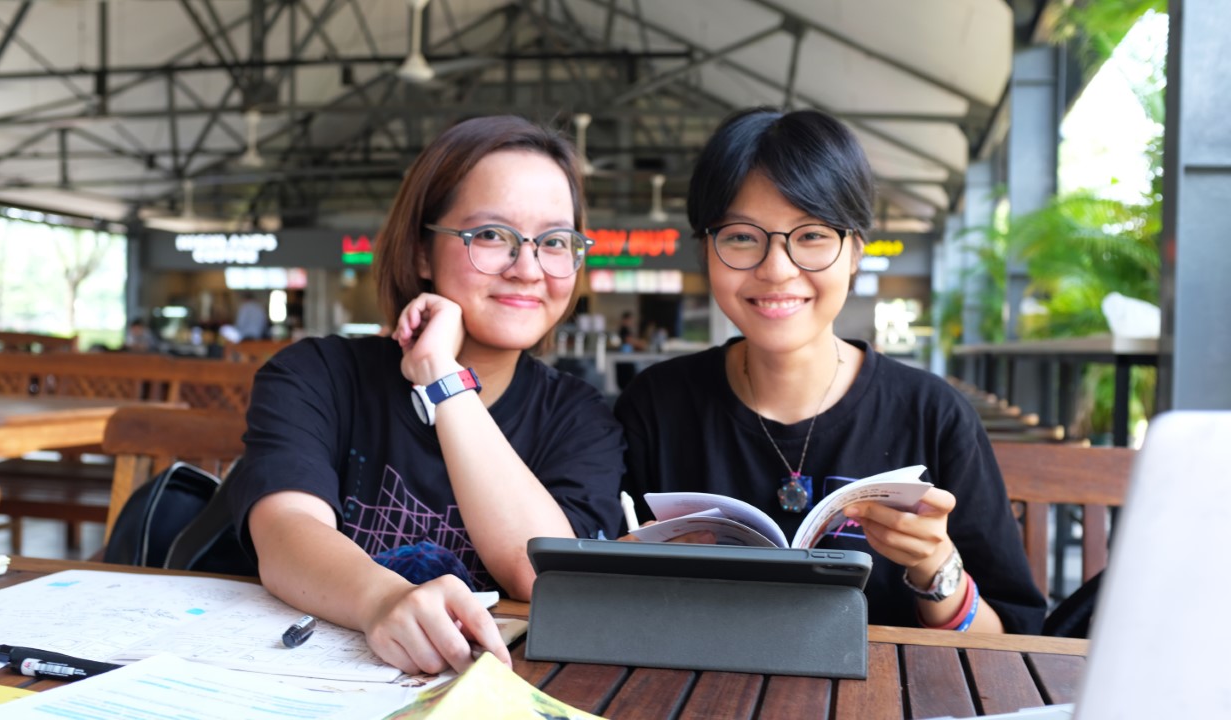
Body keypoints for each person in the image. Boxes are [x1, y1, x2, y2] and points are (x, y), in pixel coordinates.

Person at [614, 108, 1045, 634]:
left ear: (856, 251)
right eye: (742, 237)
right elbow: (605, 597)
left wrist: (935, 568)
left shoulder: (932, 416)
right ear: (706, 248)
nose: (776, 269)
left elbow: (1013, 639)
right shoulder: (656, 404)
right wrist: (630, 562)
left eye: (812, 235)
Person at [225, 116, 626, 675]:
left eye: (555, 242)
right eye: (491, 235)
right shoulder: (317, 376)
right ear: (419, 252)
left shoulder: (581, 419)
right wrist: (381, 600)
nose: (528, 268)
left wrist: (442, 377)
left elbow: (543, 575)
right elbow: (286, 532)